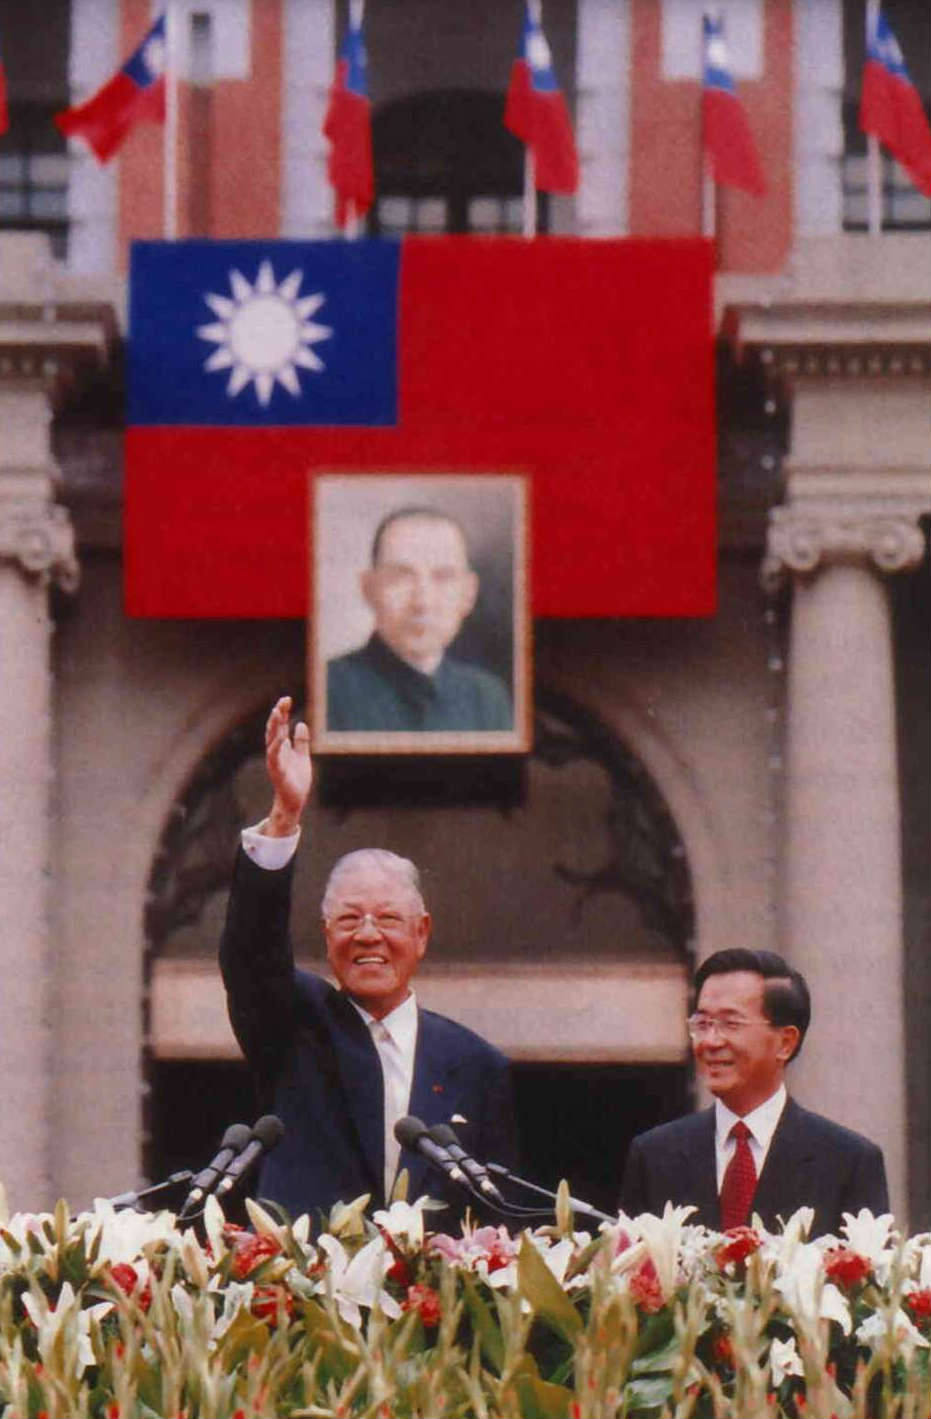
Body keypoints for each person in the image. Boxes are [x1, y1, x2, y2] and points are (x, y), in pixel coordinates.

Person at [219, 696, 517, 1223]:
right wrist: (285, 815)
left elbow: (496, 1214)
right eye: (350, 919)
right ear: (326, 933)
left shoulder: (476, 1064)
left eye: (388, 919)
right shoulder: (295, 1026)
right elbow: (251, 955)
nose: (368, 935)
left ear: (422, 933)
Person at [619, 949, 889, 1237]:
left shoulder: (848, 1161)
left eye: (730, 1024)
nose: (710, 1041)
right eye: (702, 1024)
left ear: (785, 1042)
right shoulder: (654, 1155)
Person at [326, 506, 513, 732]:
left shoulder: (487, 699)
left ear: (469, 594)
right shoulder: (325, 689)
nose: (422, 603)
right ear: (368, 589)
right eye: (400, 577)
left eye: (443, 577)